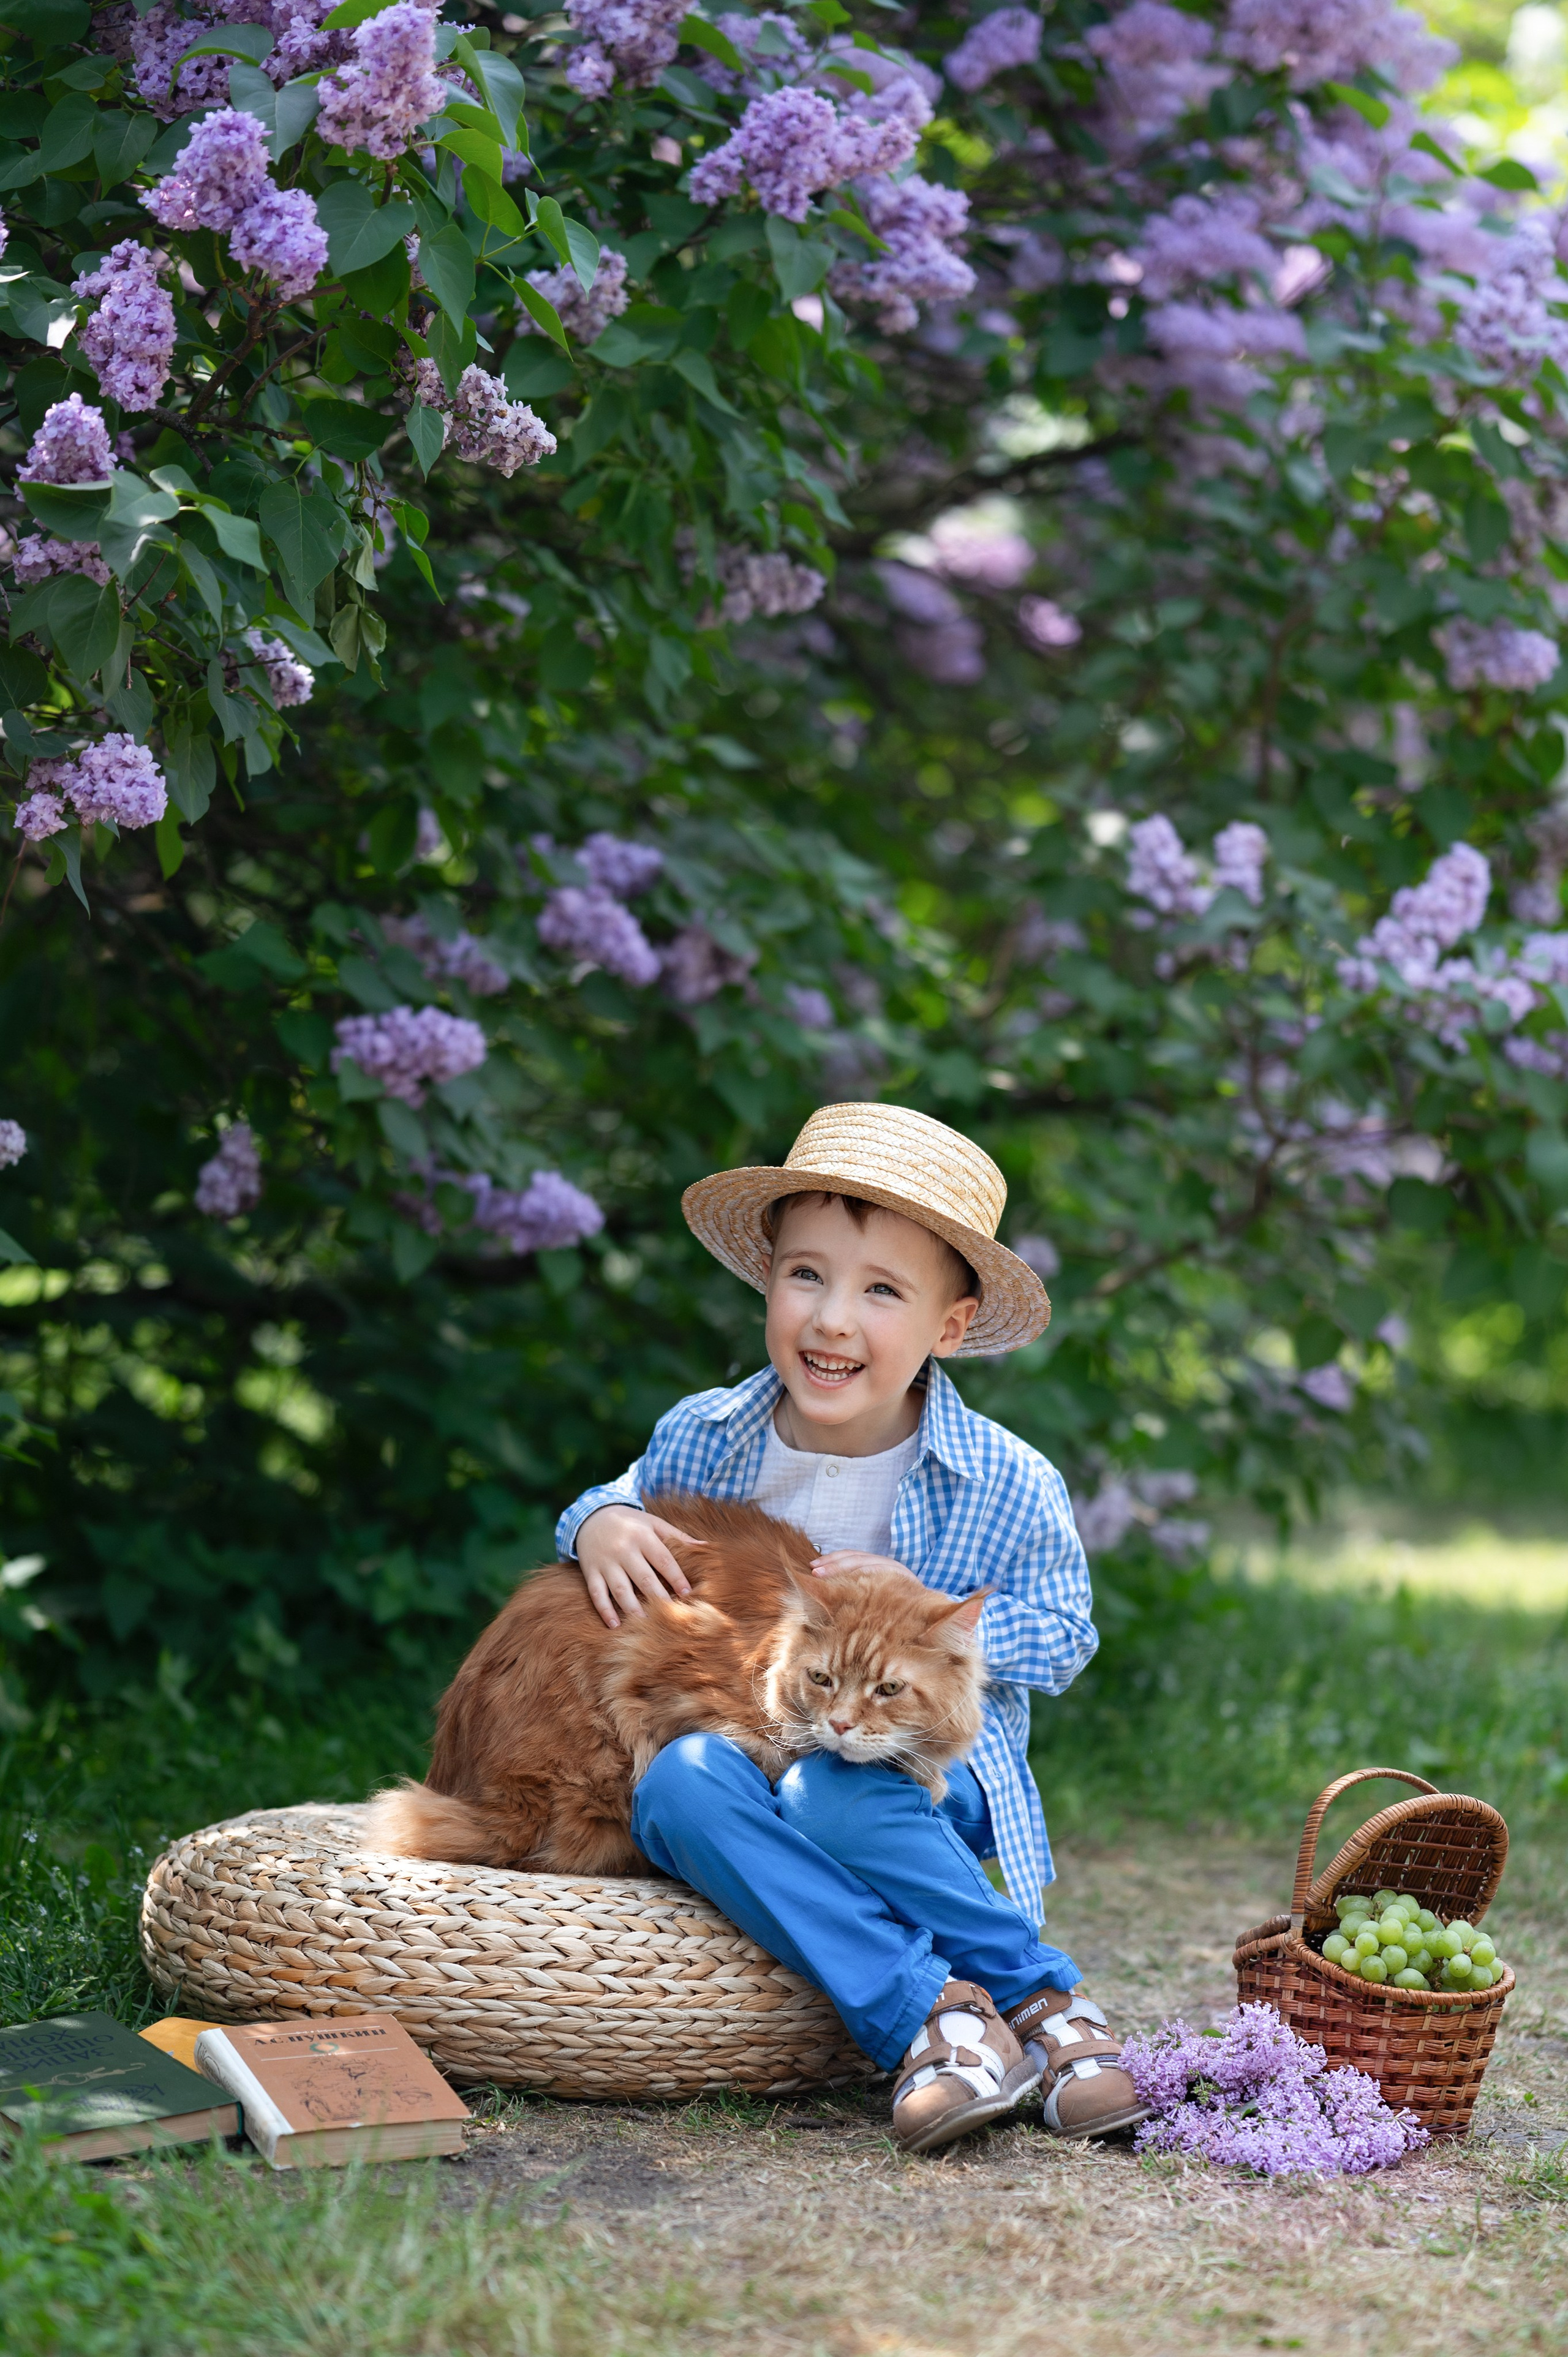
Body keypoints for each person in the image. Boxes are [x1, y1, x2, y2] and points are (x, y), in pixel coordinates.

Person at [556, 1101, 1146, 2155]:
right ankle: (937, 2013)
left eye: (881, 1291)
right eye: (807, 1276)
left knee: (832, 1792)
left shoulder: (1007, 1477)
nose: (832, 1320)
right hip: (757, 1741)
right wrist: (595, 1519)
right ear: (767, 1281)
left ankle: (1040, 1999)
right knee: (678, 1784)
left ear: (949, 1328)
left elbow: (1066, 1633)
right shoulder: (707, 1435)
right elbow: (627, 1497)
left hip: (922, 1771)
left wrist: (933, 1617)